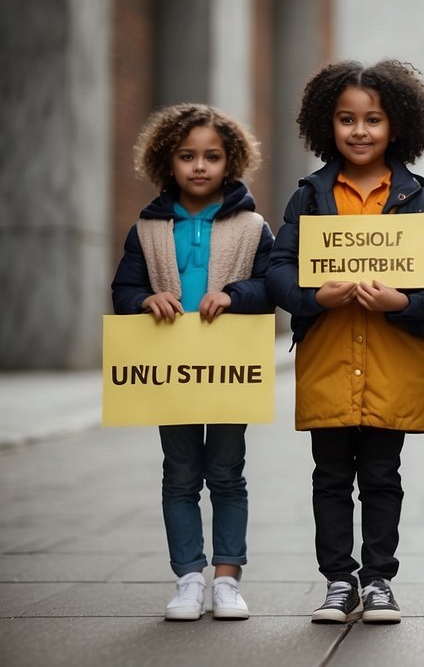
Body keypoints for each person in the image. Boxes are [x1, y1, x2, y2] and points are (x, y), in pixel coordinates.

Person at [267, 60, 424, 625]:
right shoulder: (310, 196)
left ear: (397, 126)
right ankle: (338, 581)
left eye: (373, 119)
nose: (361, 131)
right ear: (328, 124)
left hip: (392, 360)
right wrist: (313, 297)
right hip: (329, 356)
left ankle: (378, 581)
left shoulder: (420, 199)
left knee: (381, 476)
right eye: (347, 119)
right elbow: (279, 266)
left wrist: (406, 301)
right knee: (329, 476)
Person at [112, 103, 274, 622]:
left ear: (232, 162)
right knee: (180, 475)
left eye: (212, 156)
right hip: (171, 371)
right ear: (168, 161)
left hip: (229, 369)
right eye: (187, 156)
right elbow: (124, 289)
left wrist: (234, 295)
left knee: (227, 473)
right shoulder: (146, 228)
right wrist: (143, 301)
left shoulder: (253, 227)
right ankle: (187, 577)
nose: (200, 166)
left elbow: (272, 285)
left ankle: (226, 579)